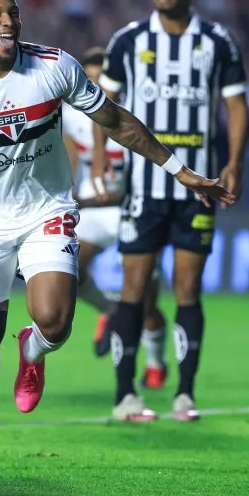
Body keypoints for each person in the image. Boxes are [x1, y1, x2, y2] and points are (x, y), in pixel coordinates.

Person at [0, 0, 234, 474]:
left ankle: (33, 350)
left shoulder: (53, 67)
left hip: (46, 212)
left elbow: (115, 121)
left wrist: (178, 169)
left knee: (55, 321)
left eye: (12, 12)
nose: (7, 22)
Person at [92, 0, 249, 422]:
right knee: (133, 289)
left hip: (199, 186)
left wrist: (234, 162)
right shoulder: (127, 41)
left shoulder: (217, 42)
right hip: (143, 186)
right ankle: (125, 394)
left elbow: (237, 106)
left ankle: (185, 394)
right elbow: (106, 104)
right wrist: (102, 155)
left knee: (188, 290)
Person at [64, 47, 170, 390]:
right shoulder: (73, 115)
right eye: (89, 78)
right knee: (69, 272)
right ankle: (108, 309)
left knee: (145, 302)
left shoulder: (137, 114)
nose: (95, 85)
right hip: (93, 210)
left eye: (101, 79)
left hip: (132, 208)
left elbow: (149, 173)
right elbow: (70, 163)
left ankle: (155, 361)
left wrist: (99, 197)